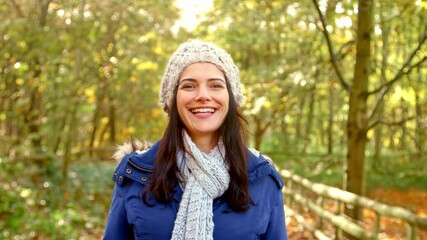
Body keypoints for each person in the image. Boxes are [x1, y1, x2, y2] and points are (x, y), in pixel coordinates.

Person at [103, 40, 288, 240]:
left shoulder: (261, 177)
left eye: (215, 85)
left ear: (231, 98)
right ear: (172, 99)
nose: (202, 95)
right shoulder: (135, 174)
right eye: (189, 86)